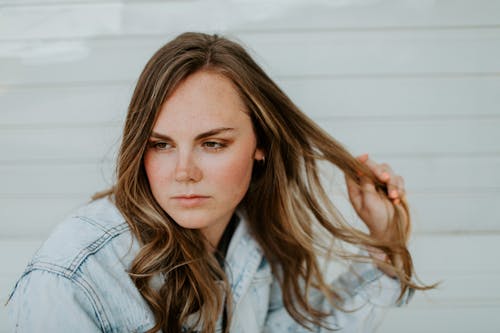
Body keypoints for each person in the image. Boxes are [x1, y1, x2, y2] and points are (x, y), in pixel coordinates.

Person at [5, 32, 429, 333]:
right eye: (161, 144)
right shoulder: (73, 276)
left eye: (211, 143)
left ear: (259, 143)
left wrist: (383, 242)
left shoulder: (250, 232)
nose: (184, 171)